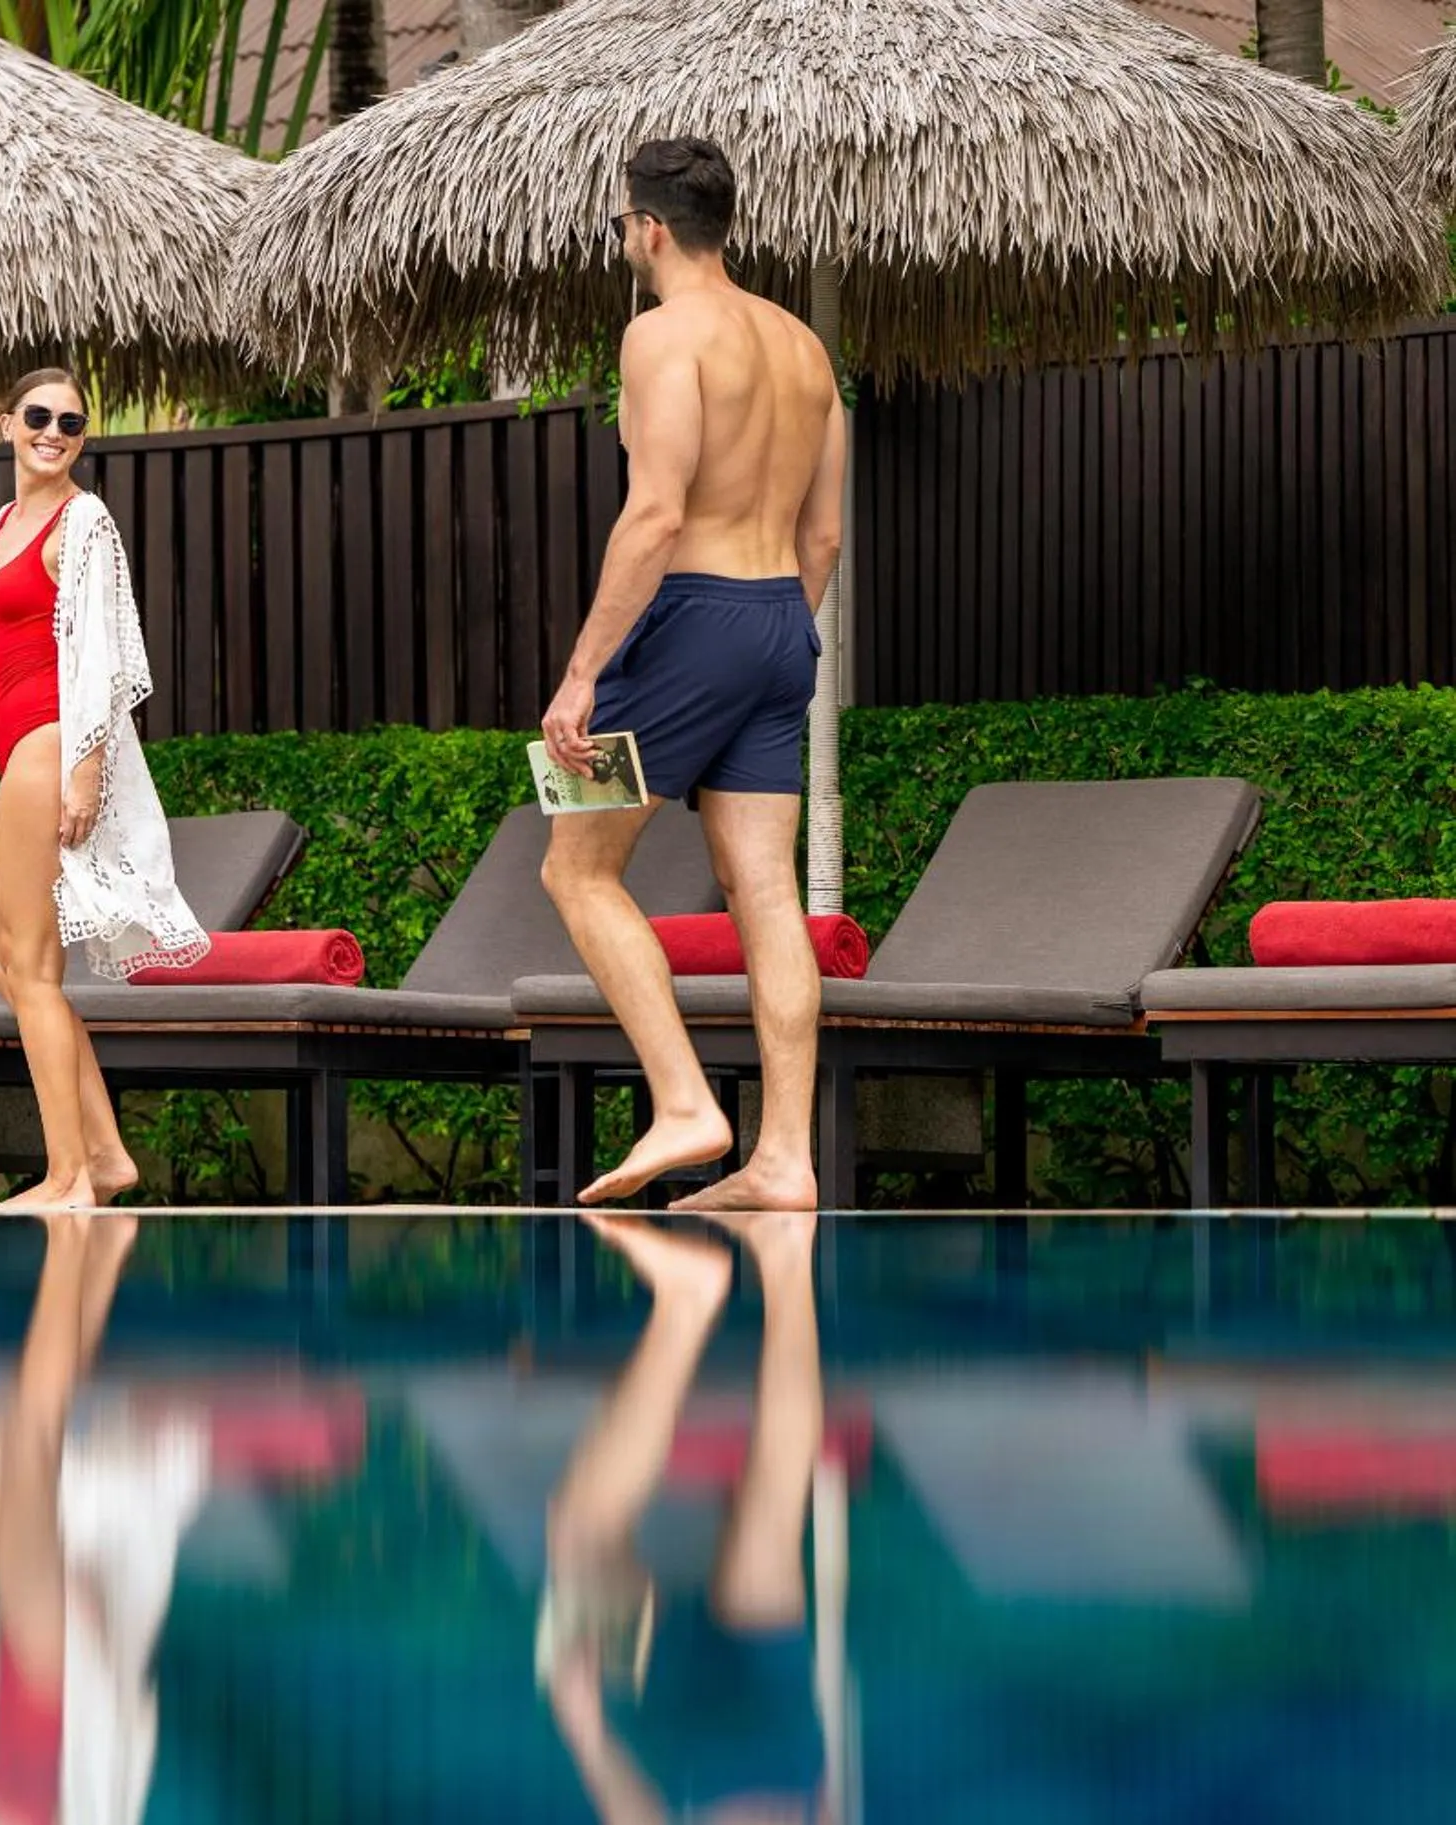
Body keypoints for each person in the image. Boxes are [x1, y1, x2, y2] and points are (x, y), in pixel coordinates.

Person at [537, 138, 847, 1213]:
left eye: (620, 223)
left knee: (571, 870)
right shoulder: (804, 349)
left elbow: (655, 511)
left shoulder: (659, 335)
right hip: (777, 626)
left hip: (687, 619)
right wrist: (768, 647)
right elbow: (822, 537)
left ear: (648, 229)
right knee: (765, 893)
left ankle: (682, 1102)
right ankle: (783, 1159)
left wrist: (583, 675)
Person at [0, 369, 207, 1210]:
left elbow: (100, 648)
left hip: (56, 742)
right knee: (2, 963)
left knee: (36, 967)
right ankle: (103, 1154)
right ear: (5, 424)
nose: (55, 430)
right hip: (14, 747)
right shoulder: (0, 522)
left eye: (71, 421)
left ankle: (67, 1176)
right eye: (39, 416)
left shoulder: (83, 519)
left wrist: (85, 768)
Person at [539, 1210, 833, 1825]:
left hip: (781, 1768)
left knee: (774, 1503)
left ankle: (785, 1260)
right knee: (583, 1533)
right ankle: (685, 1301)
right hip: (699, 1768)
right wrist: (586, 1733)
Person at [0, 1214, 202, 1825]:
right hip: (65, 1651)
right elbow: (129, 1723)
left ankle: (99, 1253)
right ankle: (77, 1252)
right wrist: (89, 1637)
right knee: (30, 1426)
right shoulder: (99, 1810)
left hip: (24, 1642)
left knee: (16, 1424)